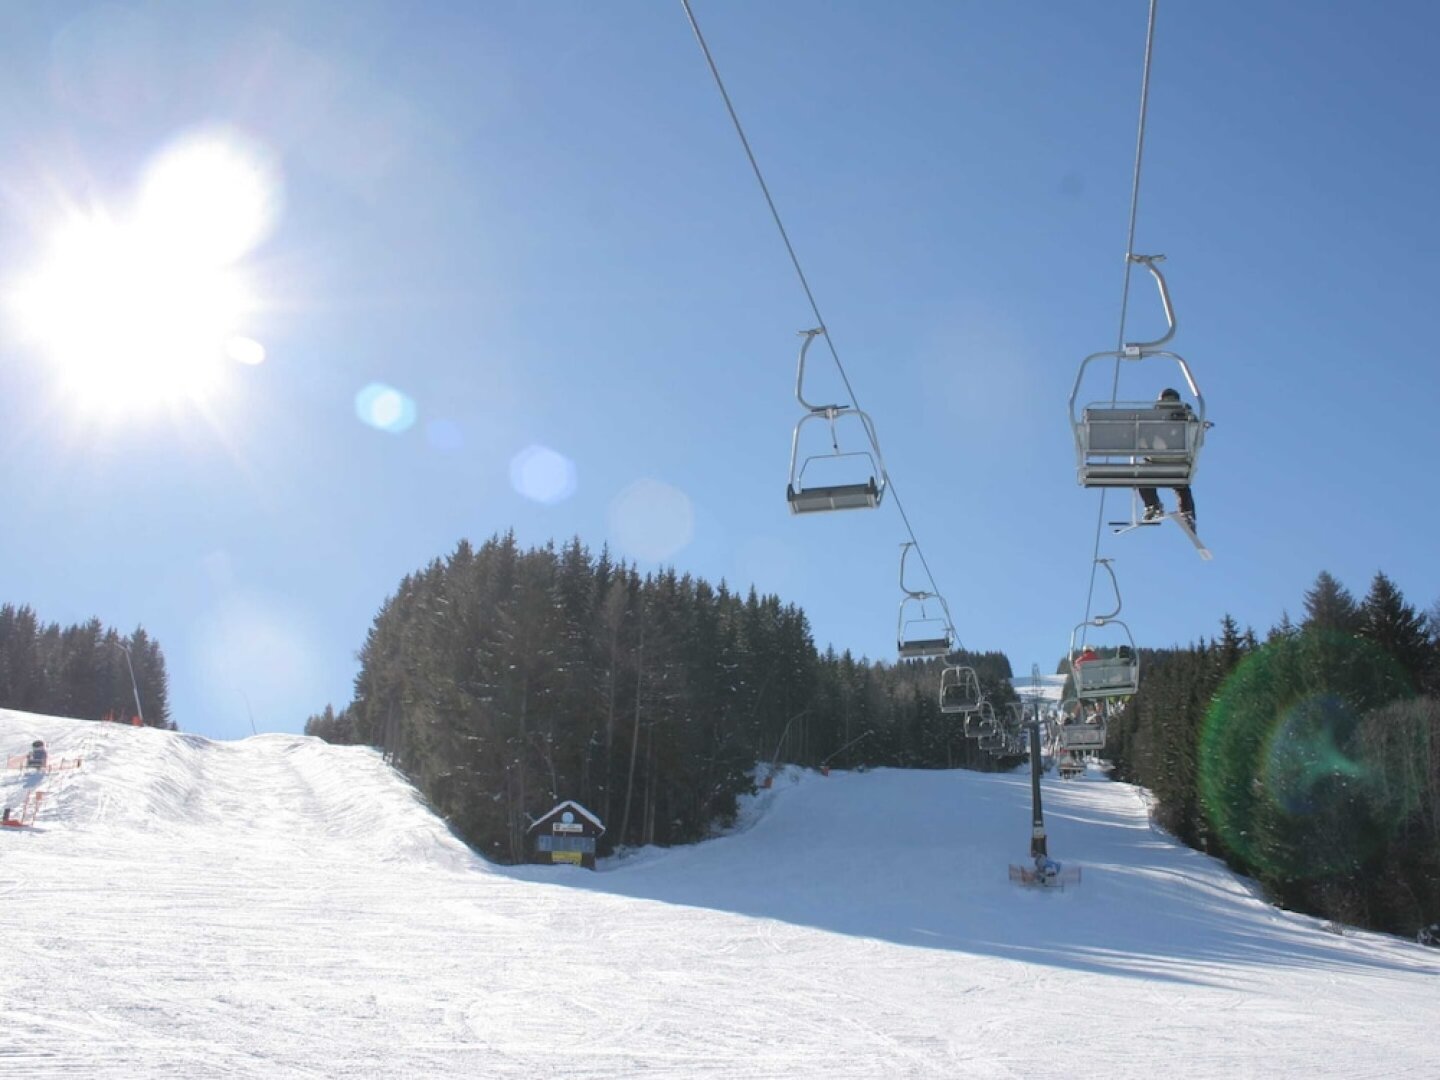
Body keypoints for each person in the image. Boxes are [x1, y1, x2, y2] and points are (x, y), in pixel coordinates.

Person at [1138, 387, 1197, 527]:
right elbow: (1197, 440)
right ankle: (1187, 513)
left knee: (1141, 472)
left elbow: (1141, 440)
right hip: (1179, 462)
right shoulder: (1188, 414)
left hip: (1155, 462)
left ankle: (1152, 505)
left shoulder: (1153, 416)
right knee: (1182, 484)